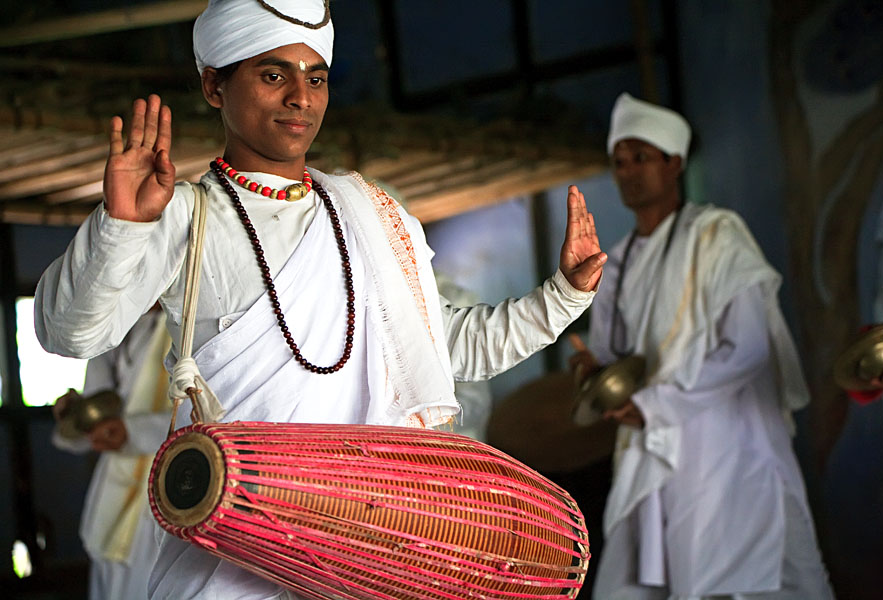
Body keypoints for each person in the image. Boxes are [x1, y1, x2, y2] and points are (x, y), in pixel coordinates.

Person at [33, 1, 607, 598]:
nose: (300, 98)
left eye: (316, 78)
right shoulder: (183, 214)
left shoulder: (372, 215)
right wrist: (120, 226)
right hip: (235, 543)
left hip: (366, 546)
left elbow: (450, 349)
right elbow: (70, 335)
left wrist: (563, 297)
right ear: (214, 84)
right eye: (273, 74)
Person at [571, 93, 834, 599]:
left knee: (743, 576)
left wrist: (652, 404)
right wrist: (594, 370)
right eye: (619, 161)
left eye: (641, 158)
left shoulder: (716, 236)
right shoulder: (617, 261)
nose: (628, 172)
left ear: (674, 163)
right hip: (651, 449)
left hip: (727, 449)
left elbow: (749, 348)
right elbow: (612, 352)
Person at [50, 307, 171, 600]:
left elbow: (209, 417)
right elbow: (97, 420)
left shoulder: (187, 321)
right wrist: (75, 420)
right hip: (113, 487)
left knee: (150, 580)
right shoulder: (116, 320)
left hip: (161, 486)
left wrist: (132, 432)